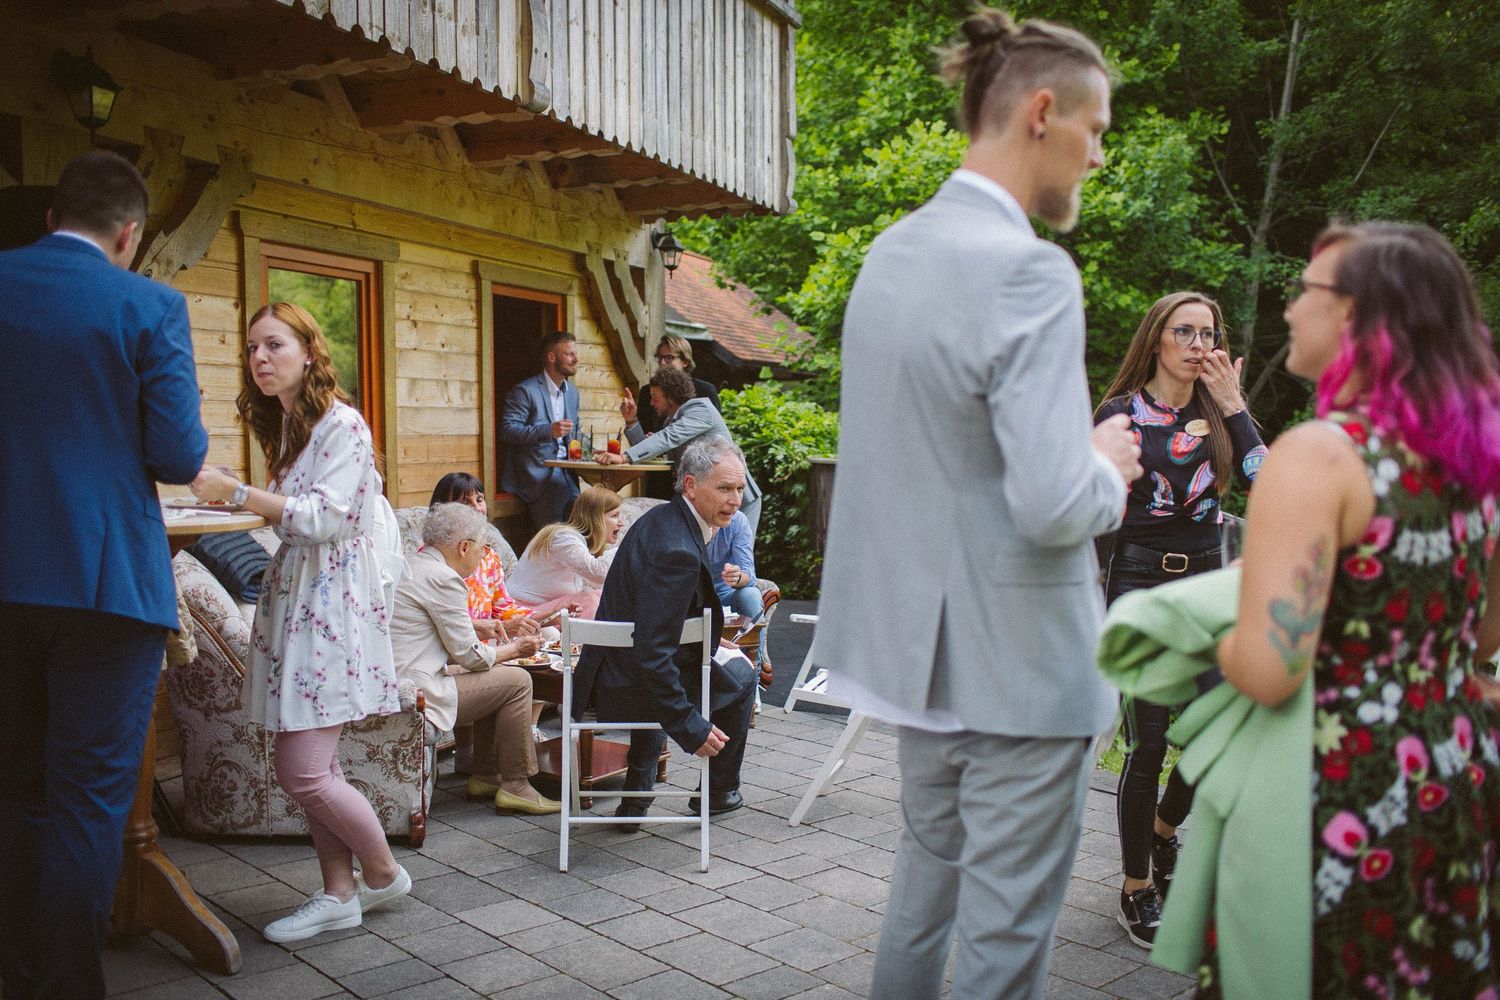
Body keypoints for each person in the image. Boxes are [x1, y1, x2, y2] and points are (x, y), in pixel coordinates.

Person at [813, 9, 1143, 999]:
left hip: (925, 658)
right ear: (1043, 113)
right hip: (1024, 672)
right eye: (1097, 132)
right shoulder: (1030, 271)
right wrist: (1107, 467)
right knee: (1003, 948)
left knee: (921, 906)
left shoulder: (891, 254)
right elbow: (1051, 502)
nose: (1096, 157)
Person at [1209, 222, 1500, 998]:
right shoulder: (1475, 459)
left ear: (1358, 316)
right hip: (1454, 774)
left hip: (1341, 785)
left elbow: (1270, 670)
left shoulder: (1320, 456)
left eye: (1307, 290)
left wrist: (1217, 628)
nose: (1290, 309)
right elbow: (1486, 633)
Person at [0, 150, 209, 1000]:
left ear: (52, 219)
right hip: (106, 587)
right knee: (89, 800)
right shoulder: (150, 305)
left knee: (14, 788)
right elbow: (177, 454)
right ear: (128, 234)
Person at [190, 302, 410, 943]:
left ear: (309, 351)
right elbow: (291, 512)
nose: (260, 359)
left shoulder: (344, 424)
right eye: (253, 349)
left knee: (303, 772)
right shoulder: (291, 425)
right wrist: (240, 489)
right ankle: (338, 893)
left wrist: (235, 494)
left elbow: (321, 519)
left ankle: (383, 872)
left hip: (331, 607)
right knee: (321, 771)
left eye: (274, 345)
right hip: (301, 600)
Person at [1093, 292, 1265, 948]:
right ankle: (1136, 887)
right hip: (1139, 587)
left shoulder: (1217, 414)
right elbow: (1090, 497)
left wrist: (1236, 407)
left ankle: (1163, 836)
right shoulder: (1121, 413)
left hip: (1207, 590)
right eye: (1184, 331)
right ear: (1157, 339)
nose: (1199, 344)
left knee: (1220, 731)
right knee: (1150, 743)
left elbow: (1267, 481)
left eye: (1208, 333)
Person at [574, 437, 759, 831]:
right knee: (743, 677)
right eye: (725, 488)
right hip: (626, 686)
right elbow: (653, 655)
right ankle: (719, 791)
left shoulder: (663, 519)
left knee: (714, 663)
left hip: (614, 668)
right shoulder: (678, 549)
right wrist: (691, 727)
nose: (736, 500)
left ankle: (635, 802)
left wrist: (707, 636)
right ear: (691, 485)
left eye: (740, 489)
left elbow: (657, 623)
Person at [390, 503, 560, 815]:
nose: (484, 556)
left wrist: (486, 630)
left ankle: (486, 774)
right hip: (416, 692)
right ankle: (516, 786)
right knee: (518, 679)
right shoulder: (445, 578)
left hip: (398, 680)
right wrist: (518, 649)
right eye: (483, 548)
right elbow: (472, 657)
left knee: (498, 673)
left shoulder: (413, 565)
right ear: (464, 547)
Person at [428, 472, 546, 743]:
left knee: (546, 639)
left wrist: (538, 620)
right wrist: (501, 628)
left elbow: (503, 605)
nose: (476, 507)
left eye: (479, 499)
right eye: (464, 502)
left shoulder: (489, 555)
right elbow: (447, 622)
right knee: (511, 662)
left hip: (490, 637)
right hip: (455, 644)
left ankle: (528, 729)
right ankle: (483, 753)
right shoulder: (438, 560)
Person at [600, 366, 764, 533]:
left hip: (738, 500)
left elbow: (667, 438)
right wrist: (631, 421)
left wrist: (624, 457)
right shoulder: (672, 422)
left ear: (670, 398)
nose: (651, 403)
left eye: (655, 398)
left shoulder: (701, 409)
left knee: (736, 557)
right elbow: (653, 452)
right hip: (710, 500)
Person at [500, 330, 582, 529]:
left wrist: (593, 450)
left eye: (575, 354)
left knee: (581, 529)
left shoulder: (573, 393)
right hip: (540, 476)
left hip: (570, 473)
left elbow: (576, 432)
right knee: (553, 540)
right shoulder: (525, 391)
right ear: (551, 357)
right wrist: (548, 431)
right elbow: (507, 430)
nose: (576, 359)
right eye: (569, 354)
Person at [505, 486, 623, 620]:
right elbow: (597, 573)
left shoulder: (580, 545)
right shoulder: (563, 537)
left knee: (602, 595)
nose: (621, 523)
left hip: (543, 612)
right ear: (595, 518)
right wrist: (627, 546)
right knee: (589, 600)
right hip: (520, 613)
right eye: (614, 516)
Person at [631, 334, 722, 435]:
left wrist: (660, 440)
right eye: (659, 357)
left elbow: (713, 432)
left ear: (685, 362)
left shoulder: (705, 390)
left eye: (669, 358)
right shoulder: (647, 391)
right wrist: (631, 421)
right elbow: (643, 434)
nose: (662, 363)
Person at [708, 509, 763, 620]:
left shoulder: (737, 520)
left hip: (724, 593)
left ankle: (753, 637)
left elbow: (749, 575)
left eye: (740, 490)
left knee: (750, 595)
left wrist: (736, 577)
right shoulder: (684, 517)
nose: (736, 501)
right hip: (689, 594)